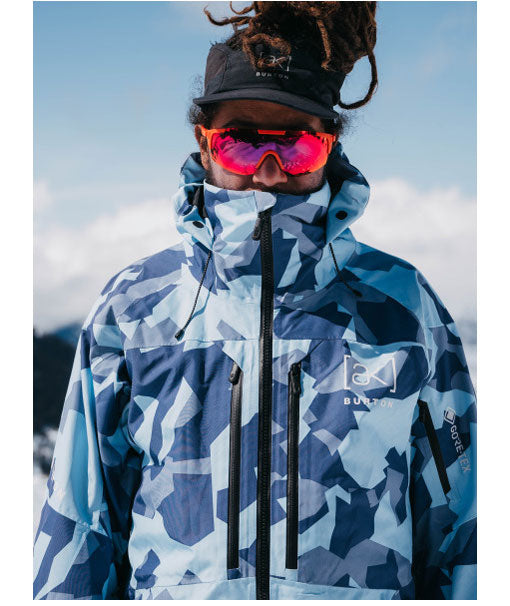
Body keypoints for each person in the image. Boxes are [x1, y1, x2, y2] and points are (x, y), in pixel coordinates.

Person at [33, 2, 476, 600]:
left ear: (330, 147)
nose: (269, 173)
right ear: (205, 144)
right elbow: (79, 529)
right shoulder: (132, 311)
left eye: (296, 146)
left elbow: (465, 535)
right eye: (242, 144)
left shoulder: (402, 307)